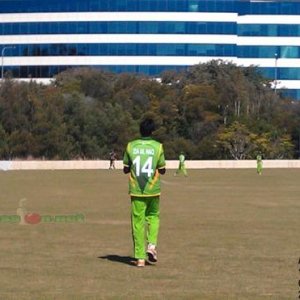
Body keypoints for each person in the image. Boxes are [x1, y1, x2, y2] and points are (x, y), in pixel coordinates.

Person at [123, 118, 166, 267]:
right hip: (153, 190)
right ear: (152, 131)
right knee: (153, 217)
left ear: (140, 131)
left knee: (138, 222)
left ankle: (140, 258)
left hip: (136, 191)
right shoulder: (158, 147)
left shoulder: (130, 146)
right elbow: (162, 169)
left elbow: (126, 168)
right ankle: (152, 246)